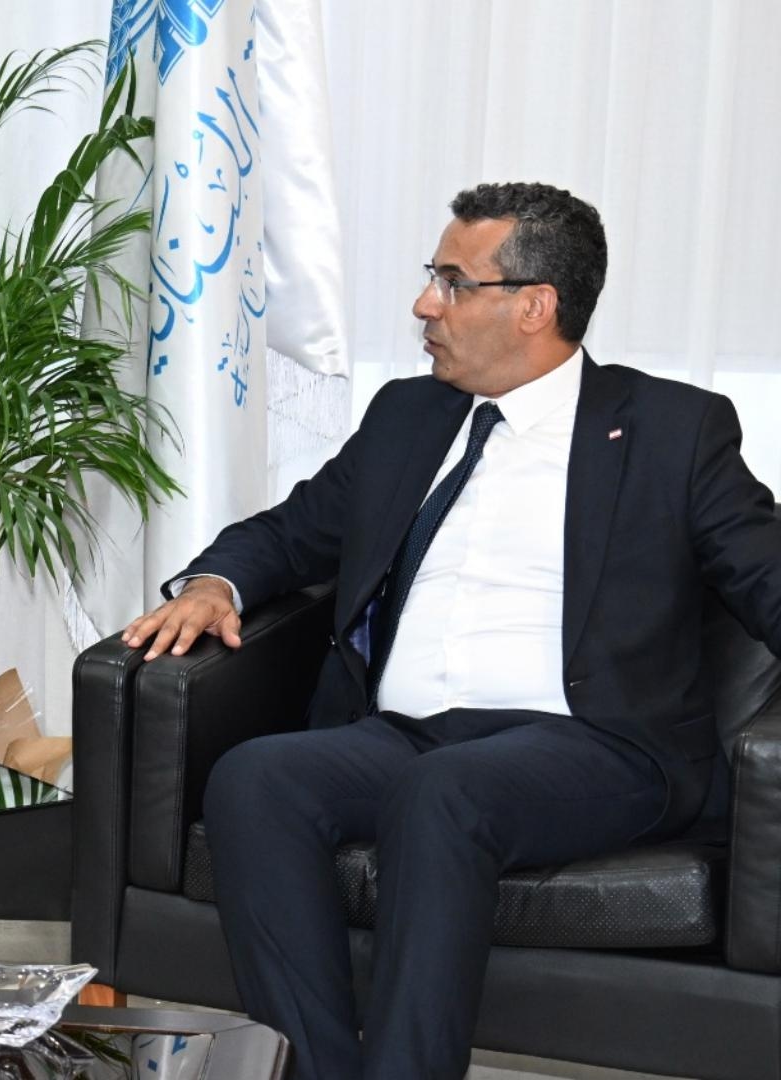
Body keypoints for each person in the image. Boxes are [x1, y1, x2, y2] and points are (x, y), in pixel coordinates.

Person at [121, 181, 781, 1080]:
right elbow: (294, 529)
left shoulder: (671, 430)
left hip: (596, 743)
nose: (424, 305)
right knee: (255, 780)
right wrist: (213, 583)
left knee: (445, 795)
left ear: (534, 307)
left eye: (452, 282)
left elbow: (764, 572)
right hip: (409, 734)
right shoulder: (409, 416)